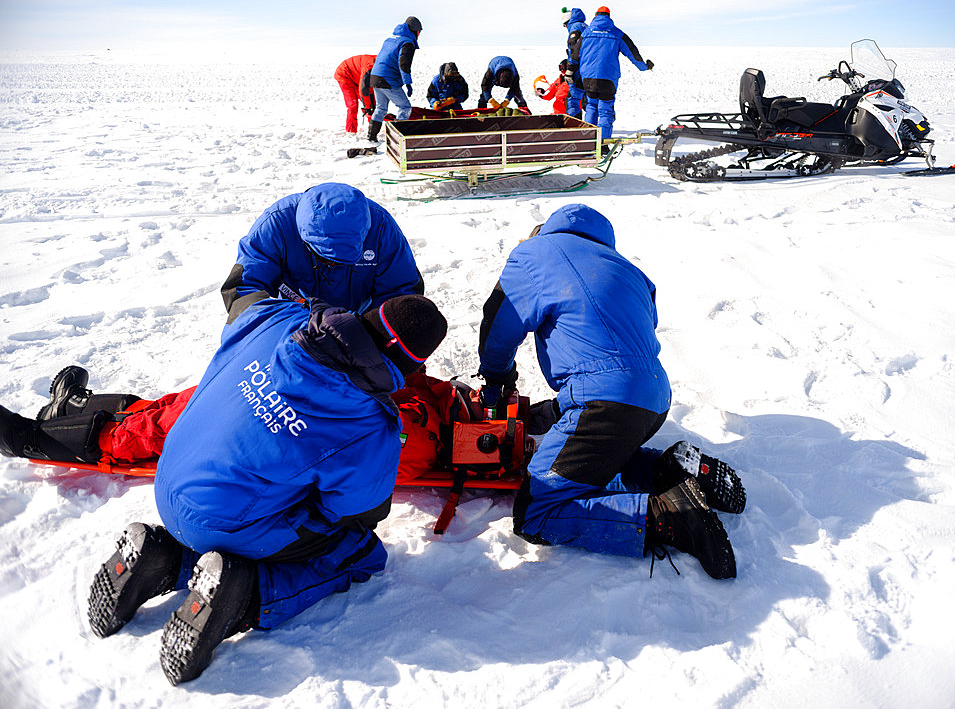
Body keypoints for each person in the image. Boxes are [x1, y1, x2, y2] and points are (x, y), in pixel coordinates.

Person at [69, 294, 447, 685]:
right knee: (357, 550)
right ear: (410, 366)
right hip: (219, 523)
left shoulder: (277, 316)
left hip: (168, 478)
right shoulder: (370, 424)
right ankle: (245, 593)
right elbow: (359, 512)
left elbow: (241, 311)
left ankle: (162, 557)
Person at [476, 204, 745, 580]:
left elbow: (500, 326)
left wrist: (496, 376)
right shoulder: (629, 270)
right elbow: (619, 340)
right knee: (603, 457)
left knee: (536, 512)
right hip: (654, 397)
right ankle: (667, 468)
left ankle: (668, 516)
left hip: (605, 400)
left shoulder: (533, 255)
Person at [220, 182, 424, 324]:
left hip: (362, 321)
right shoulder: (276, 224)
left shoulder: (381, 227)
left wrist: (374, 334)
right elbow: (245, 288)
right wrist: (275, 330)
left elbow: (401, 290)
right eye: (324, 257)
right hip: (295, 321)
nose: (333, 266)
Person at [579, 6, 654, 144]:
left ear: (595, 16)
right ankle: (603, 144)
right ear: (609, 16)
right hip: (607, 79)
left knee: (591, 107)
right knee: (605, 111)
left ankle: (588, 143)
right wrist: (644, 67)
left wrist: (573, 71)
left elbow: (575, 54)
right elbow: (633, 53)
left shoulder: (585, 33)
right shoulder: (617, 33)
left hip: (588, 78)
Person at [367, 16, 422, 143]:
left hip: (375, 77)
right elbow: (403, 65)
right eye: (419, 31)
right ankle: (399, 137)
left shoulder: (389, 39)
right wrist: (407, 83)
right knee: (405, 107)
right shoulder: (407, 43)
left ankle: (371, 136)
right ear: (415, 31)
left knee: (380, 108)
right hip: (388, 78)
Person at [334, 54, 377, 134]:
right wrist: (368, 108)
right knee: (353, 105)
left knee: (372, 103)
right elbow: (363, 90)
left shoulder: (383, 65)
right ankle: (351, 131)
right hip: (344, 74)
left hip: (356, 76)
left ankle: (372, 127)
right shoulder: (370, 67)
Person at [561, 7, 588, 118]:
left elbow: (574, 49)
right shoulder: (586, 27)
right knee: (590, 101)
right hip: (589, 69)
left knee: (573, 99)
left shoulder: (575, 29)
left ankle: (577, 128)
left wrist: (570, 69)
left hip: (579, 69)